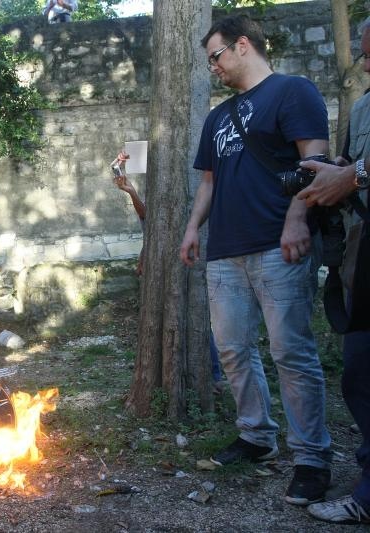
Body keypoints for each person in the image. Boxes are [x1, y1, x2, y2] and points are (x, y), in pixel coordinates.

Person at [179, 15, 332, 505]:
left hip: (277, 245)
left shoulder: (292, 92)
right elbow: (208, 182)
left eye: (217, 56)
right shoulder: (218, 117)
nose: (214, 68)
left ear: (242, 45)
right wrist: (190, 229)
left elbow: (317, 162)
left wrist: (295, 221)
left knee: (292, 353)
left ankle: (311, 457)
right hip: (225, 252)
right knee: (232, 351)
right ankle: (256, 436)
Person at [295, 16, 370, 526]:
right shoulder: (362, 106)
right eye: (364, 53)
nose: (367, 62)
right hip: (363, 258)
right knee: (360, 373)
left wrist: (355, 175)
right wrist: (338, 169)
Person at [112, 152, 225, 387]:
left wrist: (132, 192)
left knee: (196, 317)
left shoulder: (185, 191)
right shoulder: (159, 195)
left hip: (190, 262)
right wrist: (144, 257)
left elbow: (151, 219)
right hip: (163, 267)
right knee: (171, 320)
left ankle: (213, 376)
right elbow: (149, 225)